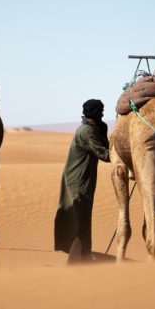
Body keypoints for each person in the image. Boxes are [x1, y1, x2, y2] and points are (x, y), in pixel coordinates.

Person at [54, 99, 110, 263]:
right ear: (96, 114)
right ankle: (75, 261)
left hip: (84, 179)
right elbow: (103, 154)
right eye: (100, 112)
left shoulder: (92, 128)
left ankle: (84, 256)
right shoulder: (86, 131)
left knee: (83, 218)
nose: (102, 114)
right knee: (80, 220)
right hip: (78, 180)